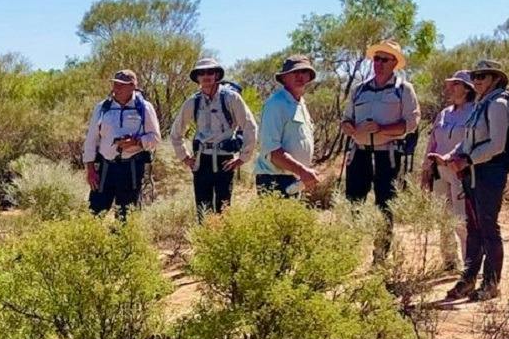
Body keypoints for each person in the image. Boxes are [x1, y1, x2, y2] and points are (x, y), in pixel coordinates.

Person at [443, 59, 509, 300]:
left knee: (487, 226)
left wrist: (468, 160)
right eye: (475, 76)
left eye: (483, 76)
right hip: (474, 172)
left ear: (495, 79)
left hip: (490, 172)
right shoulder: (480, 105)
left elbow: (497, 144)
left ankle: (491, 283)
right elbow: (469, 139)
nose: (477, 80)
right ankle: (468, 279)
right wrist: (454, 155)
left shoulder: (498, 105)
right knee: (473, 227)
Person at [168, 58, 258, 218]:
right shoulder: (193, 102)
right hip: (201, 161)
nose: (206, 76)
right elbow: (176, 132)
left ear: (217, 74)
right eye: (201, 73)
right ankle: (204, 241)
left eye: (210, 72)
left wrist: (242, 158)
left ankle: (221, 241)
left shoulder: (231, 98)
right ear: (197, 77)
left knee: (223, 209)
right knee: (203, 209)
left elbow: (250, 127)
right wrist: (185, 157)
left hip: (225, 160)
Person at [340, 39, 421, 216]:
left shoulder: (404, 90)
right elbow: (346, 119)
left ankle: (382, 243)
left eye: (384, 60)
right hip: (358, 154)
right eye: (376, 59)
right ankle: (352, 243)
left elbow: (411, 124)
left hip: (388, 154)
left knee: (386, 205)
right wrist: (349, 127)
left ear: (395, 63)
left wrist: (381, 129)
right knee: (352, 204)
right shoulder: (359, 89)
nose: (379, 64)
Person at [83, 69, 159, 217]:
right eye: (115, 84)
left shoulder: (144, 107)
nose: (116, 88)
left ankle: (123, 240)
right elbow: (91, 140)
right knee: (94, 213)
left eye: (121, 85)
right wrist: (90, 170)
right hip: (106, 168)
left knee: (126, 216)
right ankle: (92, 240)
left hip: (132, 169)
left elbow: (155, 138)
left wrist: (136, 142)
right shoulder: (102, 107)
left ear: (132, 86)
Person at [421, 70, 476, 253]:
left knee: (461, 219)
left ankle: (469, 265)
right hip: (439, 172)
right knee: (443, 217)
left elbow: (471, 142)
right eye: (450, 84)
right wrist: (426, 169)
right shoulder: (444, 114)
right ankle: (449, 260)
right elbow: (432, 142)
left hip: (460, 172)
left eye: (456, 84)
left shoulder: (474, 112)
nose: (450, 88)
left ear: (468, 89)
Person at [254, 55, 323, 197]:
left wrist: (303, 172)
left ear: (309, 77)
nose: (299, 76)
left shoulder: (301, 104)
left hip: (295, 180)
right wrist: (302, 171)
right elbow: (272, 152)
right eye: (294, 72)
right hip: (274, 180)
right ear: (284, 78)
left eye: (304, 72)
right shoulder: (276, 104)